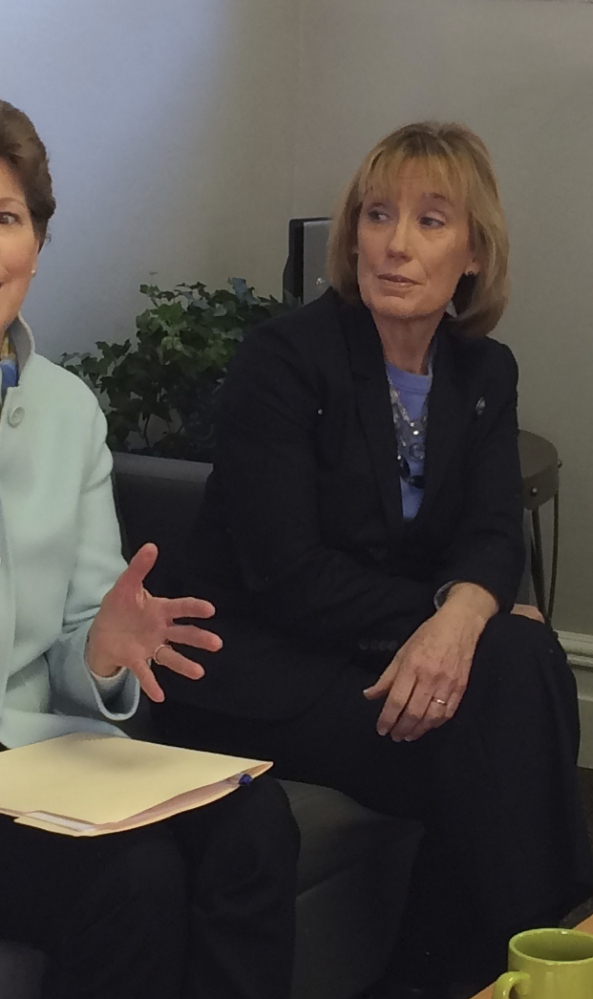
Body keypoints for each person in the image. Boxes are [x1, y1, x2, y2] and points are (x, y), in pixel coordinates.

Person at [0, 90, 299, 999]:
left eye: (6, 217)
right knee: (127, 877)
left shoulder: (69, 408)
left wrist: (105, 649)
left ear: (34, 244)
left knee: (253, 823)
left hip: (25, 759)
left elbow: (79, 645)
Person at [152, 122, 593, 998]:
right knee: (507, 682)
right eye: (378, 215)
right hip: (248, 665)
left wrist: (464, 614)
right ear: (351, 233)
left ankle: (504, 970)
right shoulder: (282, 361)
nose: (395, 244)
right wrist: (454, 617)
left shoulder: (480, 372)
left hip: (357, 655)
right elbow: (287, 575)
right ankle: (545, 956)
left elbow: (494, 531)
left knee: (511, 660)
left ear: (472, 253)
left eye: (430, 221)